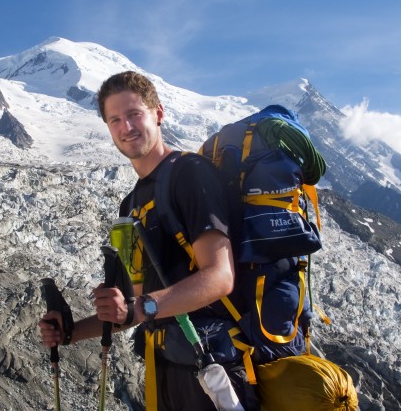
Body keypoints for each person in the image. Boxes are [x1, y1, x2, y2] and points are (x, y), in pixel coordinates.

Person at [38, 71, 249, 410]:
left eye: (134, 114)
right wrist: (69, 333)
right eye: (115, 119)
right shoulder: (131, 204)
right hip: (166, 370)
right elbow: (130, 311)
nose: (126, 127)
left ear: (158, 114)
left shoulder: (189, 174)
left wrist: (141, 306)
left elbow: (220, 277)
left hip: (215, 371)